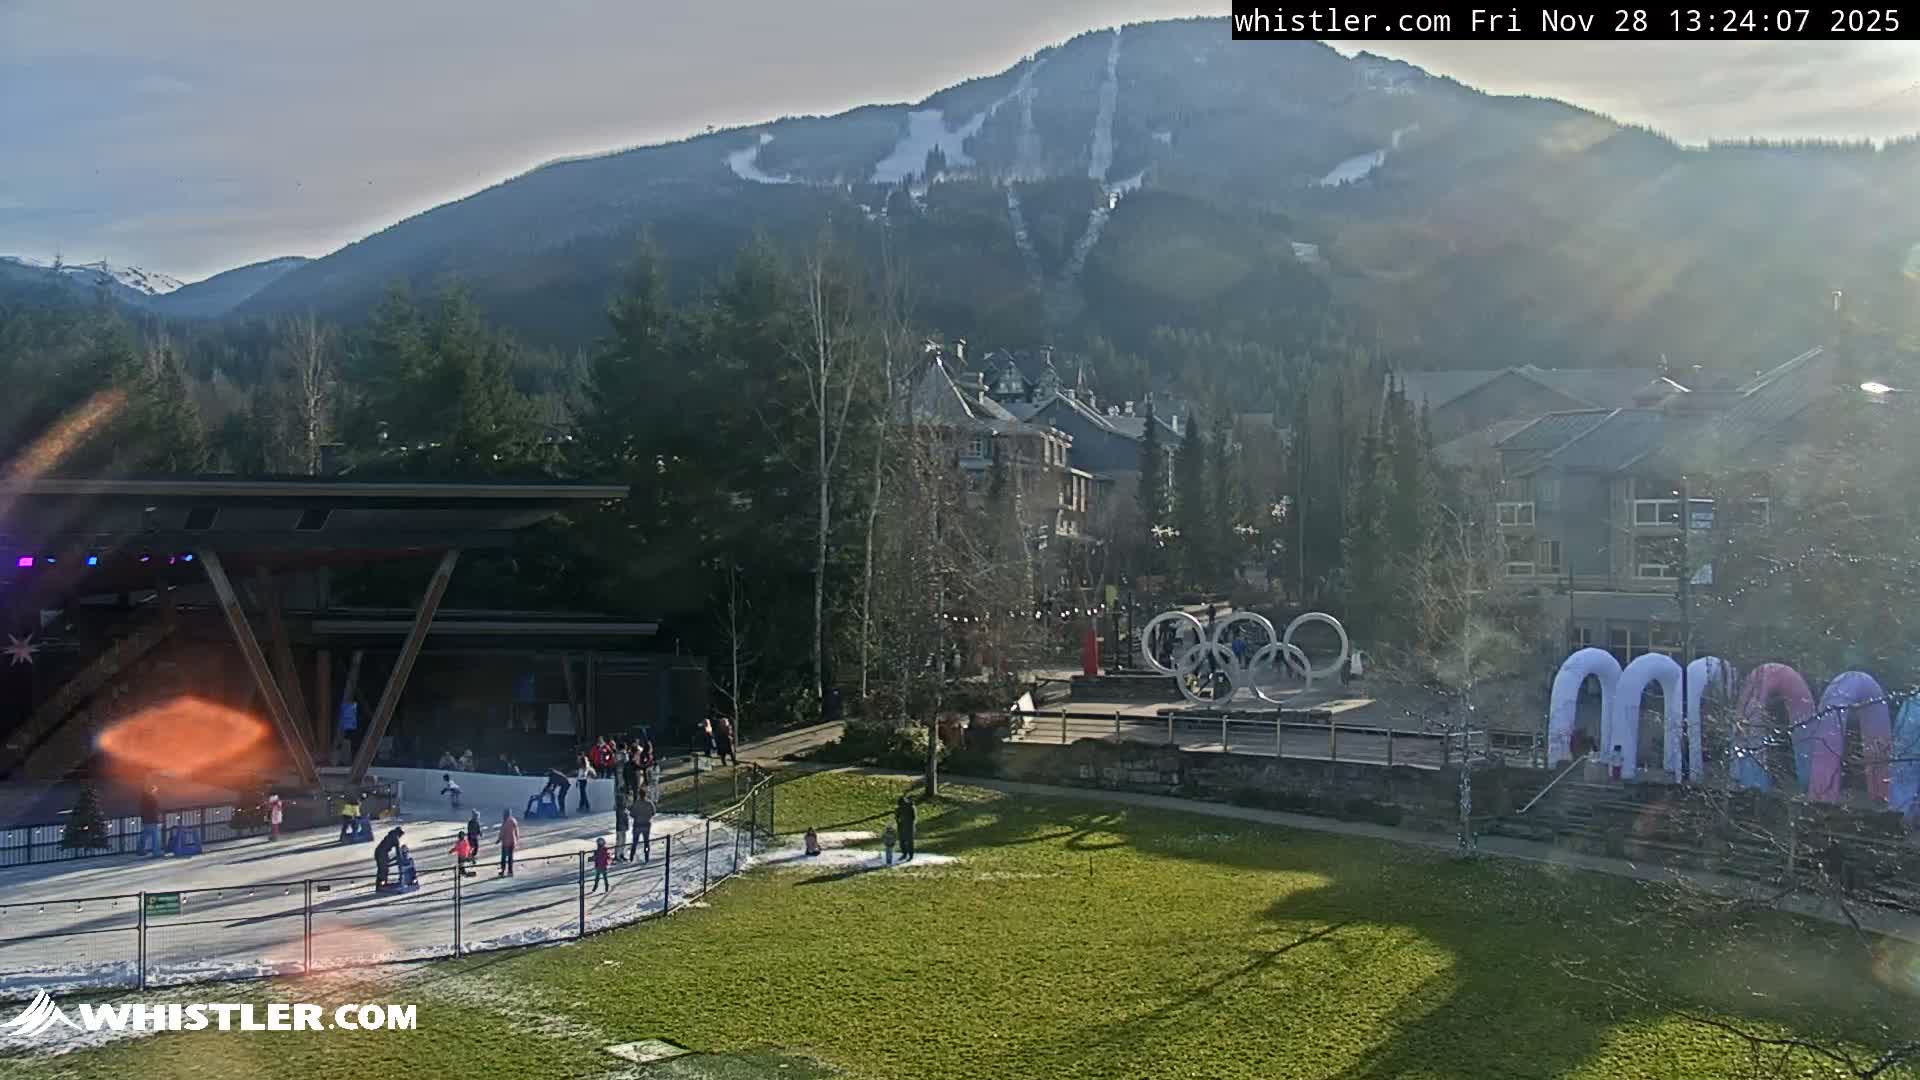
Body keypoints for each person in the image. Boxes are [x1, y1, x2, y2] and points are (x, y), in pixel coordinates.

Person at [629, 790, 655, 863]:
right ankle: (646, 856)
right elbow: (653, 812)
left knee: (634, 842)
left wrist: (637, 816)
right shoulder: (649, 803)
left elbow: (631, 814)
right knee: (646, 842)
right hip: (646, 825)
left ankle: (631, 856)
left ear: (639, 795)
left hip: (637, 824)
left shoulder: (636, 803)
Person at [138, 783, 163, 857]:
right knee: (156, 837)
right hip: (152, 820)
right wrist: (158, 819)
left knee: (144, 836)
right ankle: (156, 852)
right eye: (155, 790)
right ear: (152, 790)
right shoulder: (152, 799)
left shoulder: (143, 799)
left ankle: (140, 850)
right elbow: (155, 810)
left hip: (145, 820)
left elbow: (142, 810)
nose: (156, 792)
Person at [895, 795, 917, 862]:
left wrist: (904, 820)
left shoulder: (910, 807)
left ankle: (910, 855)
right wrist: (898, 820)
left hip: (909, 827)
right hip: (902, 827)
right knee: (902, 841)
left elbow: (913, 817)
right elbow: (896, 817)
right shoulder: (899, 808)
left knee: (909, 842)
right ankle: (904, 854)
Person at [498, 810, 519, 877]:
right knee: (510, 857)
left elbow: (502, 832)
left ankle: (502, 870)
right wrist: (517, 839)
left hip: (506, 843)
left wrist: (499, 839)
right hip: (512, 842)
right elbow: (516, 831)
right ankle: (510, 871)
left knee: (503, 858)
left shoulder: (505, 822)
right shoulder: (513, 821)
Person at [614, 794, 630, 863]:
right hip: (620, 828)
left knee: (623, 841)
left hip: (623, 828)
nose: (625, 801)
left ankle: (621, 854)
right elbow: (622, 818)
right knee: (619, 842)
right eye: (624, 800)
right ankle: (617, 856)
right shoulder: (619, 809)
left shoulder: (624, 809)